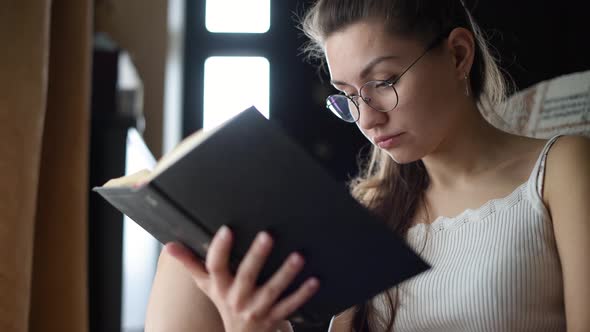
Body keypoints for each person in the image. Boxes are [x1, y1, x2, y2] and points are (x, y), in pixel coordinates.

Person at [144, 0, 590, 331]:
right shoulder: (374, 207)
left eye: (383, 82)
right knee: (186, 261)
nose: (368, 118)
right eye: (350, 95)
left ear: (458, 55)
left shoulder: (560, 169)